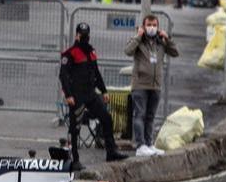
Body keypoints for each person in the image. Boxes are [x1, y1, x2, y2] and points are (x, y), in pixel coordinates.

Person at [59, 23, 126, 162]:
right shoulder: (70, 53)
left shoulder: (91, 52)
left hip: (91, 93)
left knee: (106, 118)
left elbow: (96, 73)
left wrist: (104, 91)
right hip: (77, 95)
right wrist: (68, 95)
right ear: (77, 35)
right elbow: (63, 75)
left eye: (86, 35)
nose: (84, 37)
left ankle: (111, 151)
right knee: (75, 128)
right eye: (82, 35)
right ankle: (75, 159)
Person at [123, 14, 180, 156]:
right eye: (149, 25)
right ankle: (140, 145)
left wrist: (168, 39)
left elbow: (175, 52)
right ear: (143, 26)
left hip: (155, 85)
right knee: (139, 115)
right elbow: (128, 51)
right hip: (140, 84)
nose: (152, 28)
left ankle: (149, 143)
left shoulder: (160, 42)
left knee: (150, 116)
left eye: (154, 25)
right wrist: (138, 36)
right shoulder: (138, 41)